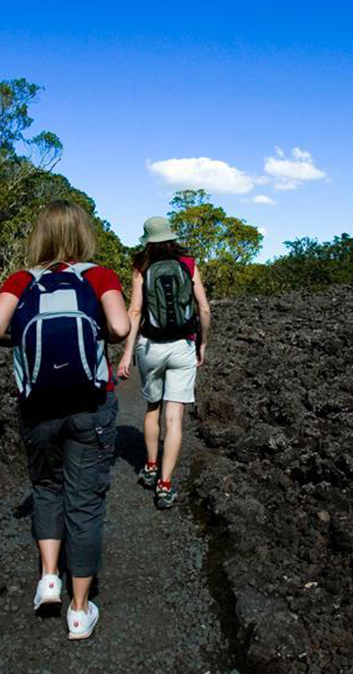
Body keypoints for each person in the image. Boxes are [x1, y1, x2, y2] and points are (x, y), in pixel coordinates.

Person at [0, 200, 130, 641]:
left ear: (39, 235)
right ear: (83, 233)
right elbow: (120, 329)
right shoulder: (98, 275)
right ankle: (80, 611)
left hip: (38, 404)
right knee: (84, 503)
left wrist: (23, 339)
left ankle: (49, 578)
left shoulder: (23, 278)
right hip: (90, 404)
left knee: (46, 488)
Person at [117, 216, 212, 510]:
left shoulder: (141, 267)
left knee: (152, 409)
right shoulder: (189, 264)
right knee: (174, 419)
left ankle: (149, 466)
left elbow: (134, 312)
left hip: (151, 346)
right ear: (171, 237)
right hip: (183, 347)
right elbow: (204, 308)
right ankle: (165, 484)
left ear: (148, 239)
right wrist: (202, 343)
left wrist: (126, 353)